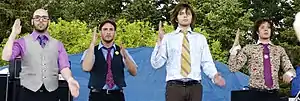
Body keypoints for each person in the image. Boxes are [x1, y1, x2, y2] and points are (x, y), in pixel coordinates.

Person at [150, 3, 225, 101]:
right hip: (174, 87)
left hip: (195, 87)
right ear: (176, 18)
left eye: (188, 14)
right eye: (181, 14)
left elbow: (207, 62)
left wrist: (214, 75)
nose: (185, 16)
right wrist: (159, 42)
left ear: (192, 17)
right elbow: (156, 63)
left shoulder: (200, 38)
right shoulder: (168, 38)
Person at [1, 9, 79, 101]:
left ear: (48, 21)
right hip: (27, 93)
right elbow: (6, 56)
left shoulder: (58, 44)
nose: (41, 20)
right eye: (37, 18)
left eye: (44, 18)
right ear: (32, 21)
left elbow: (64, 67)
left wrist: (70, 79)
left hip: (51, 94)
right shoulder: (22, 42)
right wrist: (13, 34)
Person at [229, 18, 296, 101]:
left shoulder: (279, 50)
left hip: (273, 95)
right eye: (262, 27)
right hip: (255, 94)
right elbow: (233, 68)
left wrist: (289, 74)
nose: (266, 29)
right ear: (257, 32)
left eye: (268, 27)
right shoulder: (249, 49)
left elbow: (290, 69)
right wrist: (233, 52)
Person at [81, 20, 138, 101]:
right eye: (105, 29)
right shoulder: (91, 51)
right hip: (97, 95)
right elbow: (86, 68)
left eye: (111, 29)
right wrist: (92, 43)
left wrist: (125, 56)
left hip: (117, 95)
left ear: (115, 33)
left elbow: (134, 72)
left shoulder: (122, 51)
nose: (108, 32)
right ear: (100, 32)